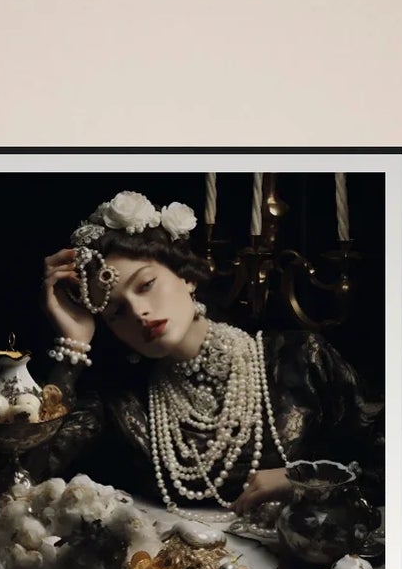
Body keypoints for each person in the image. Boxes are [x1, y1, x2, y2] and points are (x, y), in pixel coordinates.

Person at [36, 189, 382, 520]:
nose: (139, 312)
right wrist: (72, 347)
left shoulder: (300, 358)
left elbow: (401, 464)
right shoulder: (122, 401)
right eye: (116, 312)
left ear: (186, 276)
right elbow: (19, 489)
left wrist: (303, 479)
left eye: (146, 285)